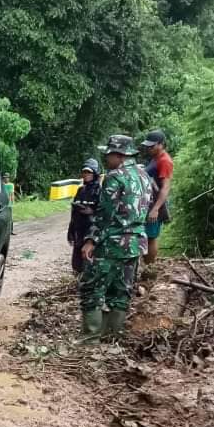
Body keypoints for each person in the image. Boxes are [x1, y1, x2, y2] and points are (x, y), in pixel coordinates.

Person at [80, 135, 152, 342]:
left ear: (119, 155)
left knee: (91, 289)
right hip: (135, 243)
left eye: (109, 154)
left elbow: (105, 214)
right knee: (121, 291)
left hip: (113, 243)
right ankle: (112, 339)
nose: (106, 158)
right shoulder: (144, 175)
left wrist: (90, 240)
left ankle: (90, 339)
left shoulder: (114, 176)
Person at [141, 129, 173, 265]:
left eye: (152, 146)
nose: (149, 148)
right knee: (145, 235)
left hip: (155, 204)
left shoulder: (165, 161)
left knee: (151, 237)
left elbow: (165, 187)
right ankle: (146, 264)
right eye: (147, 146)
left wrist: (156, 209)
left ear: (161, 144)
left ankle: (150, 267)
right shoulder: (155, 158)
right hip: (148, 203)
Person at [67, 159, 101, 275]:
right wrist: (70, 231)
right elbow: (73, 213)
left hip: (91, 232)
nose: (86, 175)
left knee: (88, 260)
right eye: (84, 172)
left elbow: (103, 214)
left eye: (89, 172)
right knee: (76, 264)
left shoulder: (99, 191)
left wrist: (91, 212)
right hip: (79, 230)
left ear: (95, 173)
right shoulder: (80, 190)